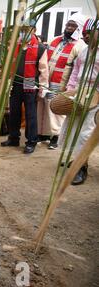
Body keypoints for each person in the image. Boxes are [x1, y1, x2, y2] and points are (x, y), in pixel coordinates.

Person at [57, 18, 99, 185]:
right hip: (79, 93)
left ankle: (82, 167)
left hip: (95, 96)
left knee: (85, 133)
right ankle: (75, 159)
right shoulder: (83, 51)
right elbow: (75, 72)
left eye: (89, 33)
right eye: (84, 34)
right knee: (73, 128)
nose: (86, 37)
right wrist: (70, 90)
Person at [37, 14, 87, 149]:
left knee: (57, 108)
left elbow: (77, 69)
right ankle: (44, 133)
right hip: (47, 79)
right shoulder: (56, 40)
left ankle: (56, 136)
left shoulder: (80, 45)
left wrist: (71, 87)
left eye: (73, 25)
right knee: (45, 105)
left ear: (79, 28)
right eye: (68, 25)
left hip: (63, 83)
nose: (69, 28)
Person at [1, 20, 49, 154]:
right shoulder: (14, 46)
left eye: (27, 29)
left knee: (30, 114)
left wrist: (43, 87)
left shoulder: (40, 48)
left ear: (34, 30)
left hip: (30, 84)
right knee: (14, 111)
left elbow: (44, 69)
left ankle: (31, 141)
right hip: (15, 83)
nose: (24, 32)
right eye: (22, 30)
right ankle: (13, 137)